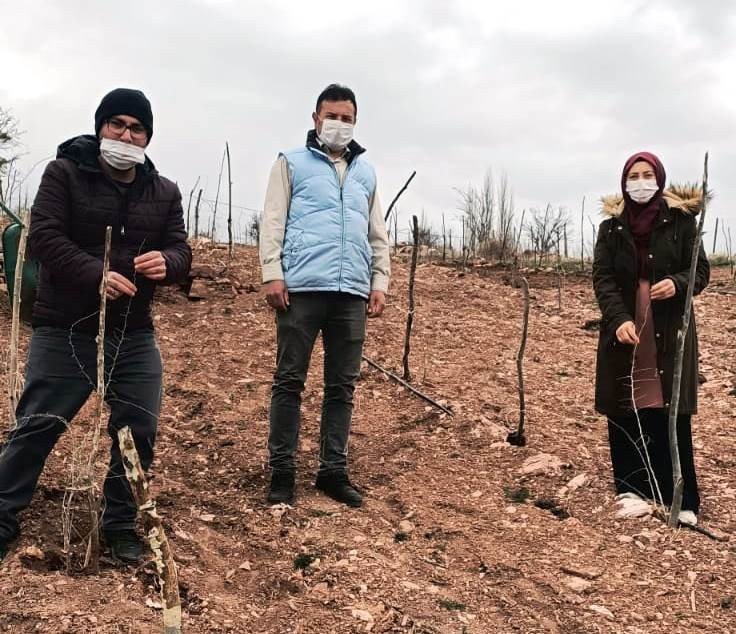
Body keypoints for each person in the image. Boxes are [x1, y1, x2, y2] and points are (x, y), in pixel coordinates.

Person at [0, 88, 192, 563]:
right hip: (66, 325)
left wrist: (167, 263)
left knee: (138, 426)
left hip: (133, 330)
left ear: (148, 137)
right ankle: (2, 513)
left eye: (137, 128)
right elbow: (43, 235)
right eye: (117, 125)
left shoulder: (163, 191)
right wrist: (95, 275)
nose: (126, 135)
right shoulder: (64, 173)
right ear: (100, 127)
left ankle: (121, 525)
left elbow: (182, 250)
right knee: (39, 423)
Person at [259, 83, 391, 508]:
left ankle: (332, 471)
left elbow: (377, 232)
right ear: (316, 118)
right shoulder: (291, 163)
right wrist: (272, 274)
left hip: (351, 292)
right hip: (301, 289)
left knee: (342, 387)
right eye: (331, 116)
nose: (339, 124)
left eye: (346, 118)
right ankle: (282, 471)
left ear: (356, 122)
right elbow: (273, 220)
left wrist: (379, 282)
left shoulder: (366, 172)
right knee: (289, 381)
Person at [593, 151, 709, 526]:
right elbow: (603, 278)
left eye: (647, 175)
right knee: (626, 401)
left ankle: (680, 495)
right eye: (633, 175)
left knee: (668, 405)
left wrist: (676, 284)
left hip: (668, 325)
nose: (640, 182)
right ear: (623, 182)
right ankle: (631, 488)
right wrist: (618, 317)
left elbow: (700, 271)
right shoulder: (611, 228)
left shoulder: (681, 221)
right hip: (626, 325)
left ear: (659, 178)